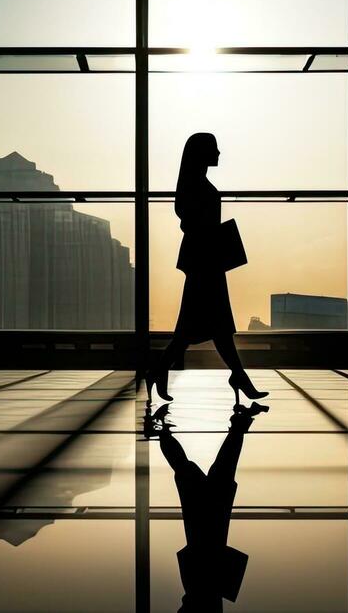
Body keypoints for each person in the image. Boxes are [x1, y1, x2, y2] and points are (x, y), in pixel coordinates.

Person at [146, 132, 268, 405]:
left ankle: (161, 371)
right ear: (202, 153)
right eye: (214, 148)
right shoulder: (196, 187)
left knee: (208, 327)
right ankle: (236, 376)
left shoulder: (196, 184)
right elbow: (194, 225)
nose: (219, 153)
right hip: (205, 263)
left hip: (206, 261)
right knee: (210, 326)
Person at [146, 401, 268, 612]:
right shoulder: (199, 591)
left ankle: (238, 423)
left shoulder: (206, 595)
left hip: (210, 544)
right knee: (199, 471)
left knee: (213, 471)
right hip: (204, 546)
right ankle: (162, 430)